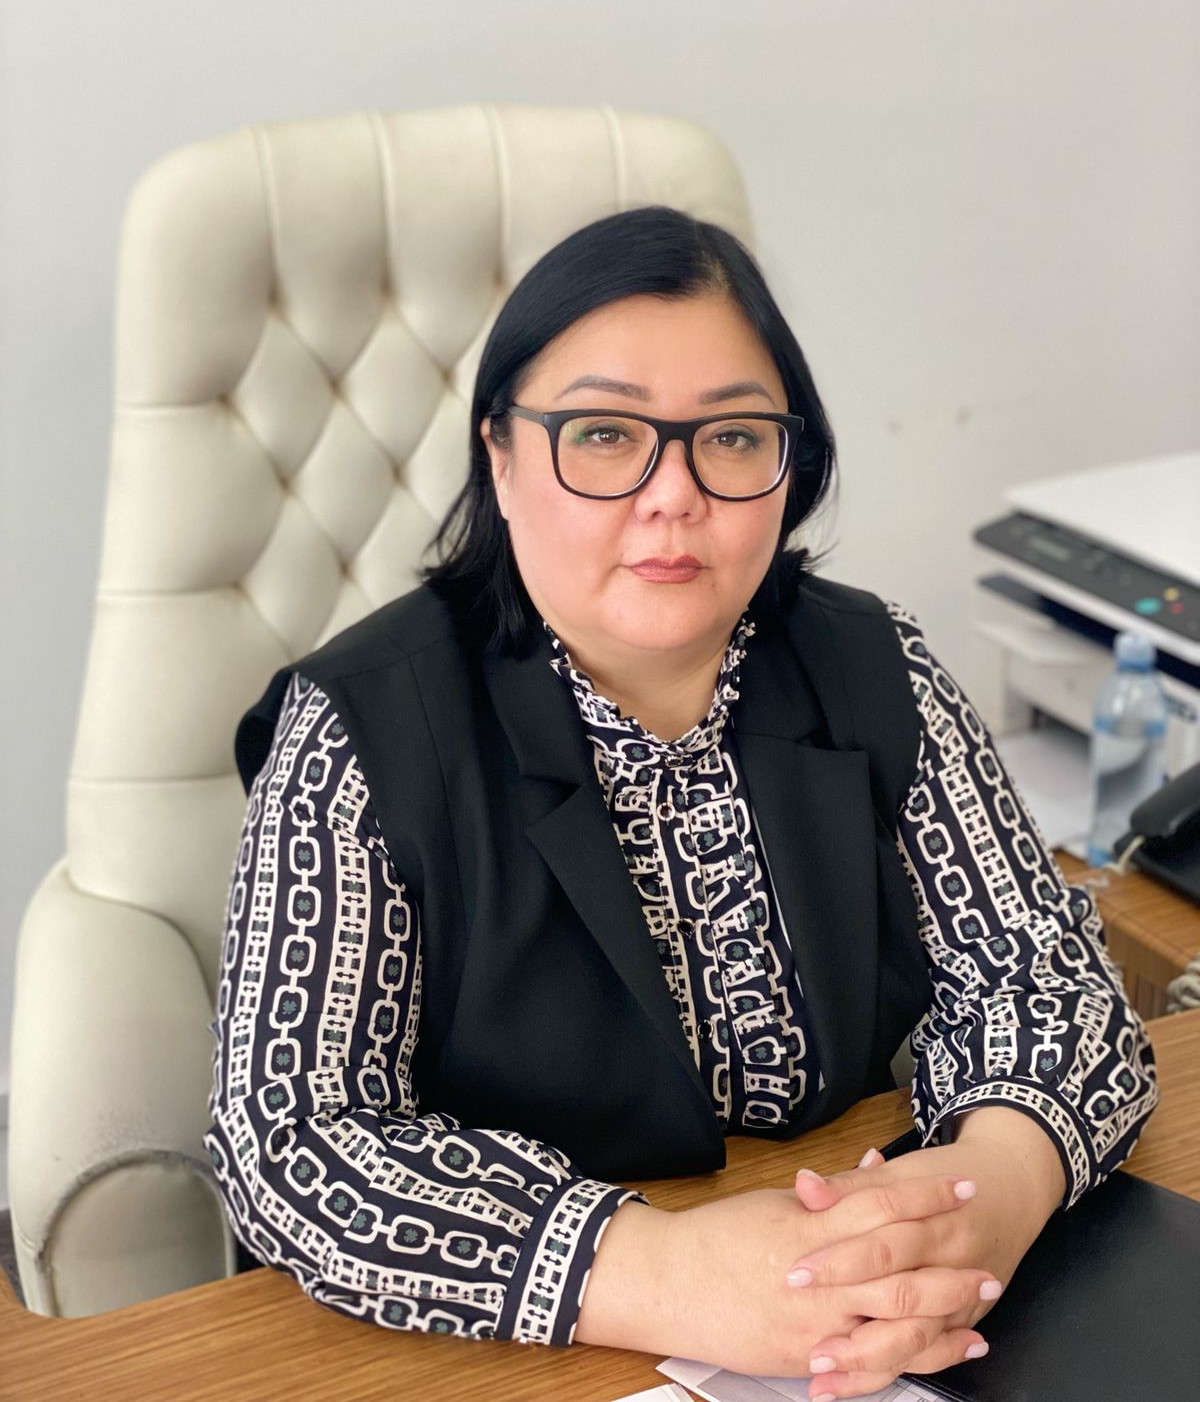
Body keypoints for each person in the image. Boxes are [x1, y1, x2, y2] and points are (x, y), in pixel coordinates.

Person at [204, 205, 1158, 1397]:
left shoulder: (876, 667)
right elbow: (290, 1141)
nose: (673, 494)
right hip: (504, 1355)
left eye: (733, 437)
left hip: (867, 1313)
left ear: (790, 465)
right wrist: (660, 1271)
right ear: (500, 454)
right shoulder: (361, 730)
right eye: (605, 434)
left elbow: (1049, 979)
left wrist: (991, 1194)